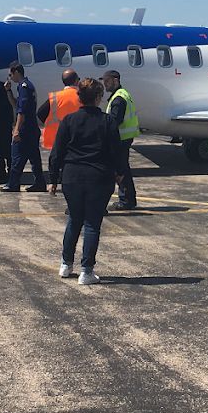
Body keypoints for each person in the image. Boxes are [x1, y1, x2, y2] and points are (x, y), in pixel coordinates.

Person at [49, 77, 126, 285]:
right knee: (92, 223)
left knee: (74, 220)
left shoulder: (69, 120)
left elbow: (57, 152)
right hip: (98, 177)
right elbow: (116, 151)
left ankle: (66, 264)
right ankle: (87, 270)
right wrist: (120, 173)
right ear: (98, 98)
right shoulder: (107, 121)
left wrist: (53, 178)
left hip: (72, 176)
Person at [3, 62, 46, 192]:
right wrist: (8, 91)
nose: (10, 77)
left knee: (17, 156)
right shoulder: (23, 87)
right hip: (31, 128)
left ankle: (13, 184)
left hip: (26, 128)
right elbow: (16, 105)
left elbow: (22, 111)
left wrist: (16, 130)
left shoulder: (24, 87)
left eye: (11, 74)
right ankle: (40, 183)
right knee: (34, 157)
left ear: (17, 72)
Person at [102, 69, 139, 209]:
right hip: (125, 137)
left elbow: (114, 121)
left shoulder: (119, 98)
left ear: (115, 80)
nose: (105, 84)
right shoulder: (121, 94)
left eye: (107, 81)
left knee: (120, 170)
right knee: (123, 169)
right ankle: (128, 200)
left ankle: (126, 201)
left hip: (120, 138)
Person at [38, 69, 81, 152]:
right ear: (76, 81)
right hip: (77, 141)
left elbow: (40, 114)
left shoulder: (54, 97)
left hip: (57, 141)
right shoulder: (83, 97)